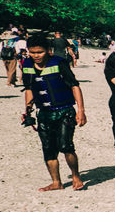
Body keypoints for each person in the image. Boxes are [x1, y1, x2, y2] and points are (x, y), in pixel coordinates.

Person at [22, 34, 87, 191]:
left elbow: (74, 86)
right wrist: (28, 110)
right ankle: (56, 182)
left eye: (40, 52)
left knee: (66, 146)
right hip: (43, 113)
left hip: (64, 111)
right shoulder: (26, 64)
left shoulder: (59, 63)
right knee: (48, 149)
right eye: (32, 52)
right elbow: (29, 88)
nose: (36, 56)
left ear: (48, 51)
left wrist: (81, 110)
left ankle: (76, 176)